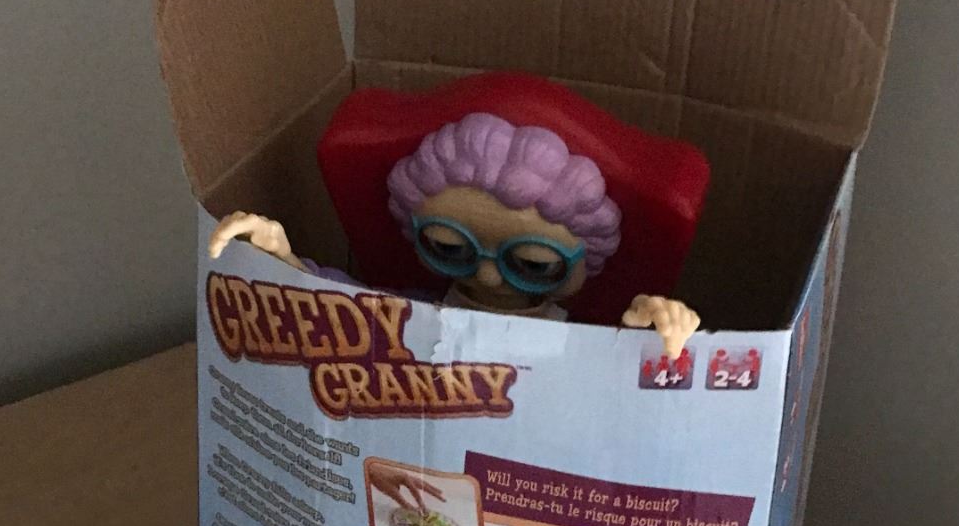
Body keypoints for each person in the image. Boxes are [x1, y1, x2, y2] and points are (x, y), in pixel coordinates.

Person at [207, 108, 698, 353]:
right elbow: (349, 307)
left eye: (531, 263)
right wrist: (283, 260)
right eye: (449, 248)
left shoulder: (574, 340)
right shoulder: (419, 313)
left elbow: (620, 385)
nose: (487, 276)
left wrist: (651, 335)